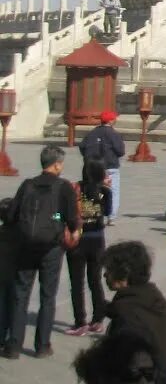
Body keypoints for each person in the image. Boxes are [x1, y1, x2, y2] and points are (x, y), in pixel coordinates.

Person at [2, 143, 80, 359]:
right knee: (48, 295)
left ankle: (13, 345)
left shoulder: (27, 185)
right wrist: (71, 230)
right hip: (51, 247)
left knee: (20, 294)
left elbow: (12, 214)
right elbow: (72, 217)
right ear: (56, 165)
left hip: (25, 245)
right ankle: (42, 345)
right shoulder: (64, 187)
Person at [100, 242, 166, 383]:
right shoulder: (158, 302)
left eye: (109, 270)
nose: (105, 275)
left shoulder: (128, 316)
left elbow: (135, 367)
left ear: (124, 274)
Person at [65, 158, 113, 337]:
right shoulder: (105, 192)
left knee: (77, 283)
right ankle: (98, 320)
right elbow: (108, 212)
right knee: (95, 281)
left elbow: (62, 212)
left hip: (77, 240)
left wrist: (56, 220)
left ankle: (80, 322)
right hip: (97, 240)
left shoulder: (74, 188)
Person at [78, 111, 125, 226]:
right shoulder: (114, 134)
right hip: (111, 166)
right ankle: (111, 216)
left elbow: (82, 147)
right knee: (113, 191)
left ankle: (91, 214)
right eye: (114, 119)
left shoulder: (92, 133)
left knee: (90, 190)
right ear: (110, 120)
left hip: (92, 167)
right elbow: (120, 151)